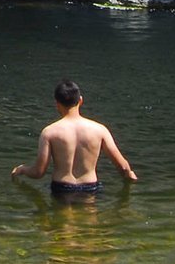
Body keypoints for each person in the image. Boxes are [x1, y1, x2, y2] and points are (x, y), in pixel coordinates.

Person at [10, 79, 139, 195]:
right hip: (90, 188)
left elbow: (39, 172)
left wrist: (22, 170)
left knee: (64, 220)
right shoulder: (100, 130)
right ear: (81, 100)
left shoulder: (49, 132)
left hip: (61, 188)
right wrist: (129, 174)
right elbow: (122, 167)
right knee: (89, 219)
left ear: (57, 103)